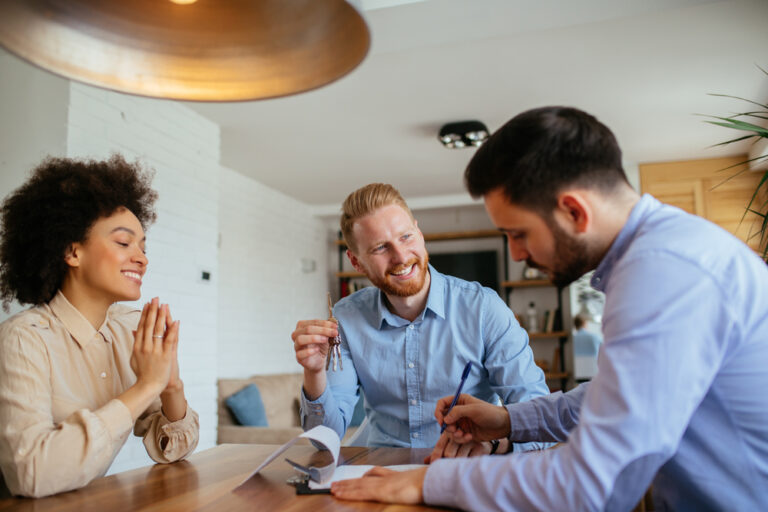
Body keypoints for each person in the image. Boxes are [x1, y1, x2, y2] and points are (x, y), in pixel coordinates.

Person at [330, 106, 768, 510]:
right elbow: (603, 400)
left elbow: (592, 482)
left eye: (518, 233)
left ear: (573, 211)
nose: (516, 255)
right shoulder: (661, 254)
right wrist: (505, 420)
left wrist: (425, 485)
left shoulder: (663, 274)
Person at [291, 183, 550, 457]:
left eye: (405, 237)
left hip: (465, 467)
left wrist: (494, 444)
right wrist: (314, 372)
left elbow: (539, 419)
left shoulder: (484, 308)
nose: (401, 257)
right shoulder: (345, 318)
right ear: (356, 262)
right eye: (380, 248)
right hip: (383, 472)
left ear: (419, 233)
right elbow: (323, 440)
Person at [0, 156, 199, 498]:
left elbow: (176, 451)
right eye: (124, 243)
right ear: (72, 251)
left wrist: (170, 385)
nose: (142, 257)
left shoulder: (129, 331)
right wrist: (145, 385)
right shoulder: (24, 339)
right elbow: (30, 475)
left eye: (143, 247)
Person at [572, 314, 602, 381]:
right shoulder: (595, 337)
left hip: (578, 372)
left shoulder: (572, 339)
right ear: (584, 323)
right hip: (593, 371)